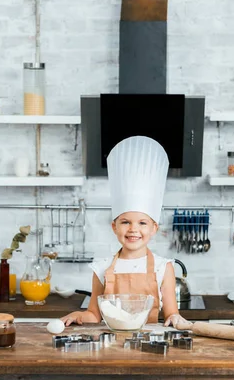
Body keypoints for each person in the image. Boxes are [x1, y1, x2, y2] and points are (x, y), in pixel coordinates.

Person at [61, 136, 190, 328]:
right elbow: (93, 315)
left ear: (154, 228)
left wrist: (176, 319)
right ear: (114, 227)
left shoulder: (163, 267)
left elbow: (172, 313)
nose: (133, 229)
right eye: (125, 222)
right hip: (111, 343)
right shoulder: (102, 268)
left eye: (142, 223)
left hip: (148, 344)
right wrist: (78, 315)